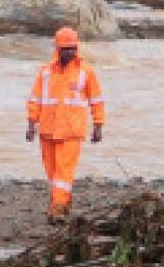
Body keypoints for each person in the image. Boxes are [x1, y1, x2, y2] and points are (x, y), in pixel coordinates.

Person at [25, 26, 105, 221]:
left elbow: (96, 100)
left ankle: (57, 209)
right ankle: (62, 203)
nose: (70, 52)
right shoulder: (45, 72)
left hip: (71, 131)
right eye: (65, 48)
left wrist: (98, 125)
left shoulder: (86, 72)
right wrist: (31, 124)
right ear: (57, 49)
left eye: (73, 48)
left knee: (64, 171)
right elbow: (35, 99)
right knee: (52, 172)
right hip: (47, 130)